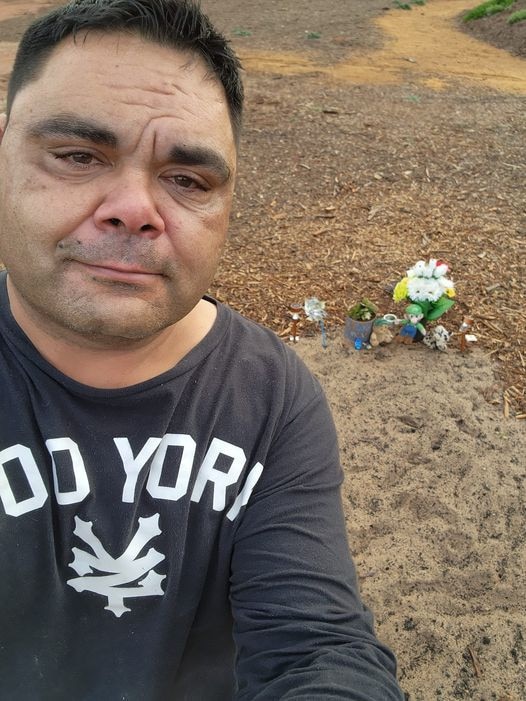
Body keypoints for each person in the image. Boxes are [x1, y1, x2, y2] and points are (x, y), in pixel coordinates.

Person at [0, 1, 404, 698]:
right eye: (77, 155)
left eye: (188, 180)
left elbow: (317, 649)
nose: (135, 206)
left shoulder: (271, 398)